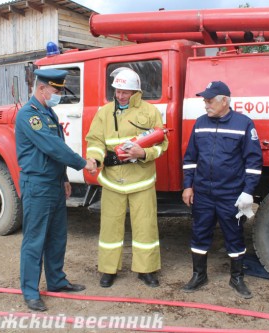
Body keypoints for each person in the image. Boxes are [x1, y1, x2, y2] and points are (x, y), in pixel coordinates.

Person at [15, 69, 97, 312]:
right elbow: (51, 146)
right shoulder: (29, 116)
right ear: (42, 89)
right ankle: (30, 292)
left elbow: (56, 147)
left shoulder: (48, 112)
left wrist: (63, 178)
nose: (59, 94)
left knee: (57, 236)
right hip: (37, 185)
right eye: (56, 90)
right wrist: (82, 163)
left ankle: (57, 281)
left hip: (53, 183)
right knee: (35, 240)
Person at [85, 67, 168, 288]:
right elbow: (94, 140)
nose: (120, 95)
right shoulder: (104, 112)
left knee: (146, 227)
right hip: (113, 180)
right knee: (110, 228)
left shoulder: (150, 112)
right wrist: (94, 159)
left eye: (125, 92)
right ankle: (108, 269)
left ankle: (146, 270)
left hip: (141, 180)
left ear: (136, 92)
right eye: (117, 91)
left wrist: (144, 153)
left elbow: (162, 144)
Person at [181, 81, 263, 299]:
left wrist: (248, 191)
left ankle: (237, 278)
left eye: (209, 100)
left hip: (230, 195)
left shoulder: (243, 124)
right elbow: (190, 159)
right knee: (199, 234)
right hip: (204, 194)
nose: (205, 104)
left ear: (224, 100)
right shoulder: (200, 123)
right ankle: (199, 275)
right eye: (204, 100)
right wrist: (188, 185)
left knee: (234, 235)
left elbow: (253, 162)